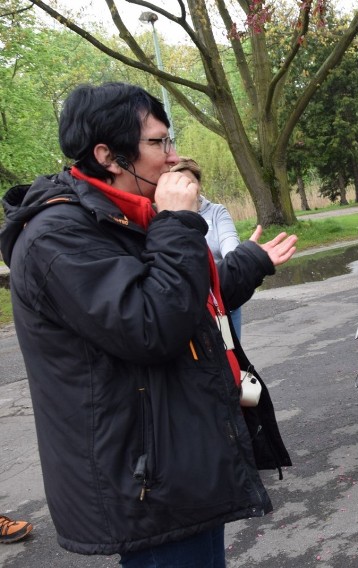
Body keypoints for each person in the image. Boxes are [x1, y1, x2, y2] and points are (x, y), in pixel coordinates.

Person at [0, 82, 297, 564]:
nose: (173, 157)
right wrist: (177, 222)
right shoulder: (59, 236)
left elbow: (181, 298)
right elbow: (151, 325)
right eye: (159, 143)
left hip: (172, 461)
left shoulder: (121, 214)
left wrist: (247, 264)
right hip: (145, 479)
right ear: (109, 155)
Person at [171, 157, 244, 339]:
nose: (185, 189)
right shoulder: (165, 218)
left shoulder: (217, 212)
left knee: (229, 356)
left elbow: (230, 244)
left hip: (220, 300)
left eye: (190, 183)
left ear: (199, 184)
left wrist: (236, 261)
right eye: (178, 183)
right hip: (188, 306)